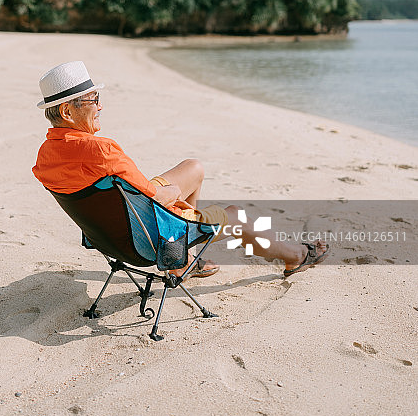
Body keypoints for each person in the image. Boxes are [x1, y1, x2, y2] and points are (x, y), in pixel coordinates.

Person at [32, 61, 329, 279]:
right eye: (92, 100)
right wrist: (173, 192)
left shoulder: (45, 156)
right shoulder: (102, 150)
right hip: (148, 240)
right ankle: (297, 256)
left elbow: (133, 192)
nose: (100, 106)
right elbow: (156, 199)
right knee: (236, 215)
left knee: (193, 168)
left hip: (110, 237)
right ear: (68, 112)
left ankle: (185, 260)